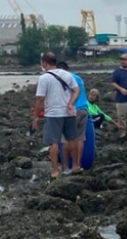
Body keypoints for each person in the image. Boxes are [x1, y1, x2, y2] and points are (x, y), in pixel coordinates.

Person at [31, 51, 79, 179]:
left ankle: (54, 170)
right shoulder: (66, 74)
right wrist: (70, 103)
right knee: (72, 139)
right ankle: (75, 166)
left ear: (44, 62)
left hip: (53, 114)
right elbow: (76, 90)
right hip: (69, 112)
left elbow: (40, 99)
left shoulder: (44, 78)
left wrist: (36, 116)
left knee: (53, 142)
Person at [56, 61, 88, 171]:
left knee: (66, 139)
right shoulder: (78, 78)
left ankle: (65, 166)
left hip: (71, 111)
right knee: (79, 139)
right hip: (83, 110)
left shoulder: (64, 80)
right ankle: (77, 165)